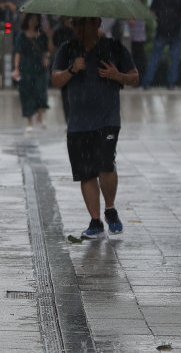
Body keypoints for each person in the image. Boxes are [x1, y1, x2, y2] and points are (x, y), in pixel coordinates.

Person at [51, 17, 139, 239]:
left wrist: (116, 75)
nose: (79, 28)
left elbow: (135, 77)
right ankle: (95, 221)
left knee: (106, 166)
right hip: (78, 122)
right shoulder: (67, 49)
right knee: (86, 173)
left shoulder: (113, 47)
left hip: (107, 119)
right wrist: (73, 69)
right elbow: (56, 80)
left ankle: (110, 209)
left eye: (84, 23)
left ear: (97, 23)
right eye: (76, 24)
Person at [142, 0, 181, 90]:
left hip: (161, 31)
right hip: (175, 32)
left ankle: (147, 82)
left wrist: (160, 17)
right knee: (174, 59)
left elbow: (151, 13)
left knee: (154, 58)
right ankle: (171, 83)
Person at [12, 13, 49, 131]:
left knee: (41, 92)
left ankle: (41, 116)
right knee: (26, 94)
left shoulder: (42, 36)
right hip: (26, 68)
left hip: (39, 68)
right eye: (31, 19)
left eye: (35, 20)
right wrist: (16, 68)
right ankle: (29, 122)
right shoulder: (21, 35)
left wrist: (46, 58)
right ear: (27, 21)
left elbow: (46, 51)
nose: (33, 22)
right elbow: (18, 52)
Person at [126, 0, 147, 81]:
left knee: (140, 58)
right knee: (133, 58)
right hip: (130, 35)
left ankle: (139, 79)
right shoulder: (128, 0)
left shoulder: (138, 0)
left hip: (140, 35)